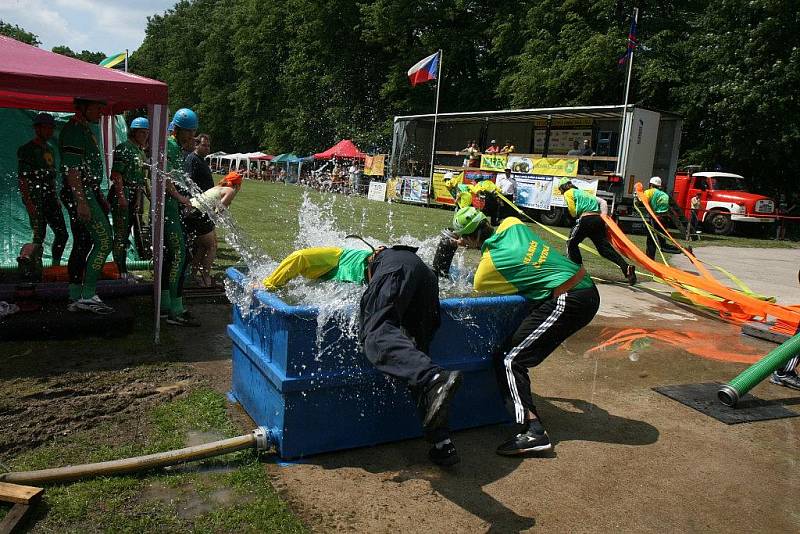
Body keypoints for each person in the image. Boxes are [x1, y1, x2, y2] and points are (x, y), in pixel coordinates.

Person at [262, 245, 463, 466]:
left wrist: (267, 285)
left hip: (397, 268)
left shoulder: (338, 256)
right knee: (413, 356)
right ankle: (442, 442)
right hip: (424, 276)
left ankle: (434, 378)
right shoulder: (369, 268)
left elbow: (299, 256)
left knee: (375, 335)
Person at [447, 206, 599, 456]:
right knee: (513, 355)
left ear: (469, 238)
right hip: (584, 286)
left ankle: (533, 431)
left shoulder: (486, 270)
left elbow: (479, 291)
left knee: (510, 359)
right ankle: (523, 417)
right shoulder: (511, 223)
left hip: (570, 299)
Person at [59, 98, 114, 314]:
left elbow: (86, 170)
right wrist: (82, 201)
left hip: (87, 191)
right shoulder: (74, 130)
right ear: (84, 108)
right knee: (104, 241)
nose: (101, 112)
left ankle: (75, 295)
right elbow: (72, 170)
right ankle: (88, 294)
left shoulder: (83, 129)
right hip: (80, 193)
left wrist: (99, 196)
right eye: (97, 108)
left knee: (82, 242)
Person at [558, 178, 636, 284]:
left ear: (563, 188)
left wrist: (572, 216)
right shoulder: (583, 193)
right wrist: (604, 217)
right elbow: (602, 202)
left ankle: (578, 271)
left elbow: (572, 211)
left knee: (571, 243)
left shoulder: (568, 193)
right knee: (604, 249)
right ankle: (626, 268)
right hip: (597, 220)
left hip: (585, 219)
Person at [17, 112, 68, 270]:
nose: (50, 131)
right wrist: (29, 203)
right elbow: (23, 179)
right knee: (39, 236)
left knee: (62, 234)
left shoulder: (50, 149)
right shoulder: (27, 150)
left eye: (52, 128)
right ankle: (33, 268)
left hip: (50, 198)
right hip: (36, 198)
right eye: (47, 128)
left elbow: (51, 176)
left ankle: (55, 266)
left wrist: (56, 197)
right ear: (37, 129)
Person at [162, 108, 199, 326]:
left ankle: (166, 304)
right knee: (180, 255)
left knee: (170, 256)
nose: (192, 137)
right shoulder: (172, 147)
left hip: (170, 208)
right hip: (169, 209)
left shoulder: (174, 146)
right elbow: (165, 178)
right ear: (178, 130)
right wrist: (181, 198)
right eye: (190, 132)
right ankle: (176, 311)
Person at [109, 116, 149, 282]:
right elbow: (116, 174)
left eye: (146, 133)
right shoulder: (123, 148)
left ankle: (123, 270)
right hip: (123, 193)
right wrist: (122, 197)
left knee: (126, 235)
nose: (145, 136)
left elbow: (141, 178)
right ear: (133, 132)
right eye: (142, 132)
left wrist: (142, 199)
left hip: (134, 194)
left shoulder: (139, 150)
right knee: (120, 235)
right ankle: (120, 272)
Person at [187, 171, 242, 287]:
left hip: (191, 212)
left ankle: (192, 276)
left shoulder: (218, 187)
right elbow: (218, 210)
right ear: (237, 185)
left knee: (202, 246)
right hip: (199, 215)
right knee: (212, 246)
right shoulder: (230, 190)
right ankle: (206, 279)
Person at [641, 176, 672, 260]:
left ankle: (649, 259)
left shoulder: (649, 192)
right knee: (662, 242)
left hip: (656, 218)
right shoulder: (664, 194)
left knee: (651, 240)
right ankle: (682, 250)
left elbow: (643, 200)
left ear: (650, 184)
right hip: (665, 218)